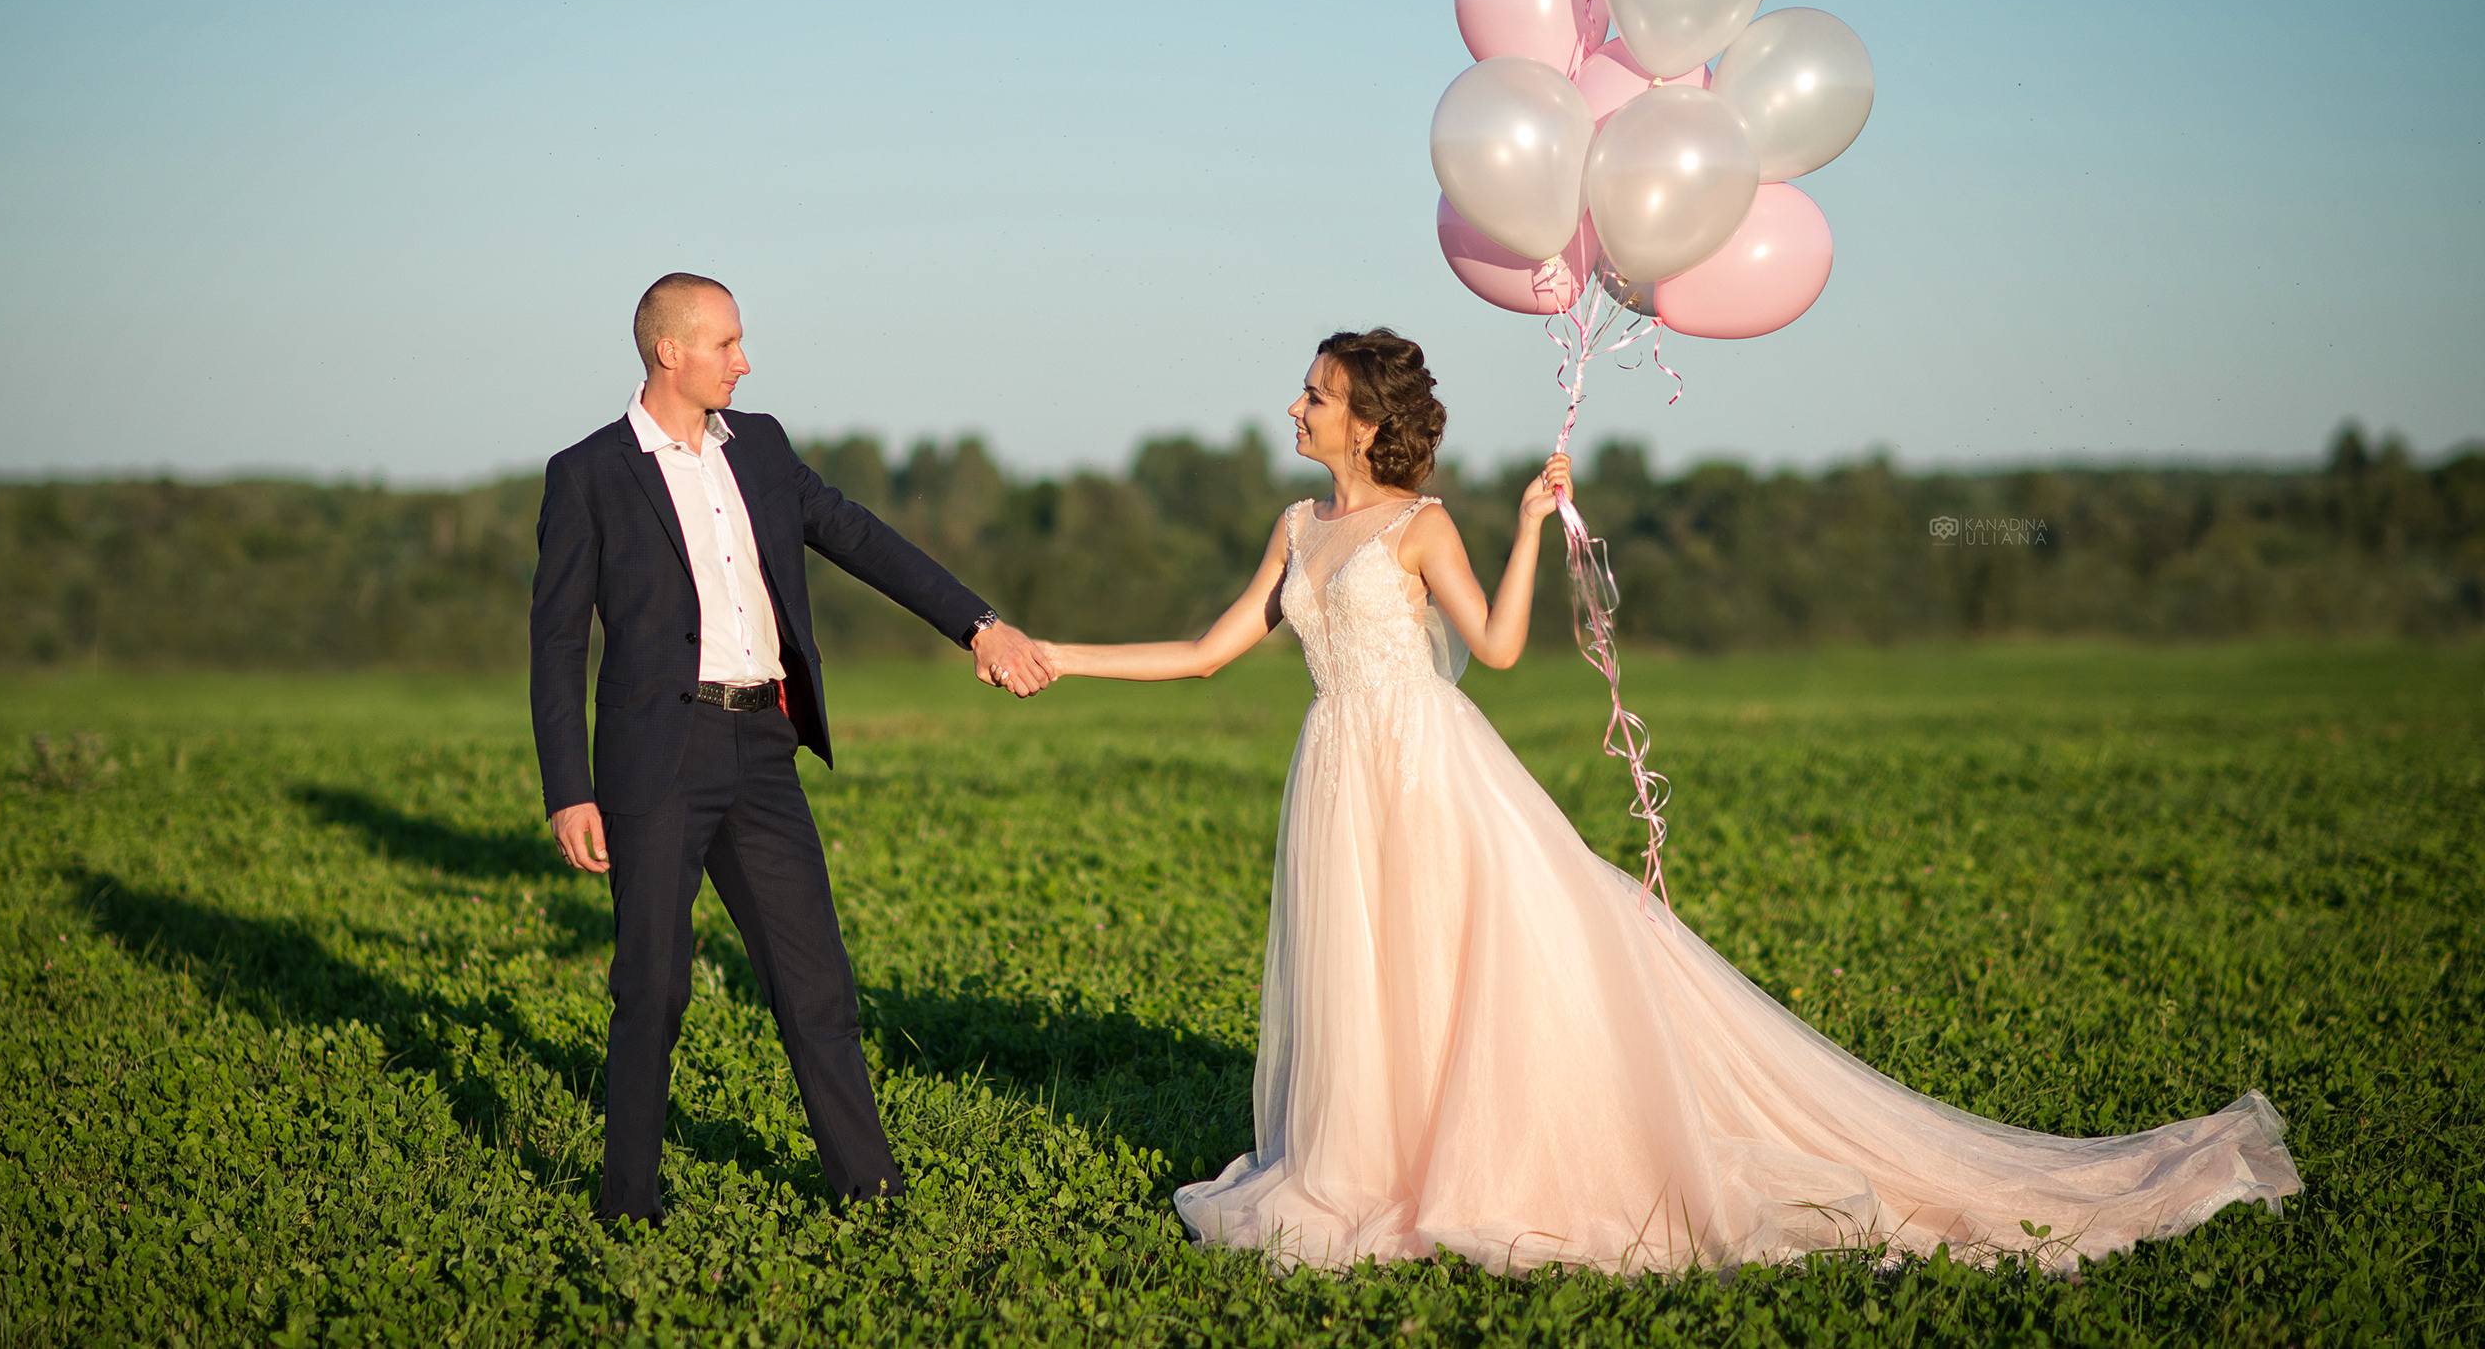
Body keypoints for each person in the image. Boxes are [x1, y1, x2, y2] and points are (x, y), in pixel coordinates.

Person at [1031, 327, 2300, 1275]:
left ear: (1366, 421)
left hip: (1427, 767)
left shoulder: (1418, 526)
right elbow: (1204, 652)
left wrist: (1531, 519)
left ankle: (1471, 1164)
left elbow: (1505, 645)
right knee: (1369, 981)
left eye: (1315, 392)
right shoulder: (1296, 527)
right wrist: (1054, 653)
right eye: (1305, 390)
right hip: (1337, 774)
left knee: (1462, 965)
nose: (1296, 405)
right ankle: (1372, 1165)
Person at [530, 271, 1054, 1227]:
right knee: (653, 985)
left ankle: (872, 1192)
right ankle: (627, 1206)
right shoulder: (589, 473)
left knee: (816, 981)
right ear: (669, 352)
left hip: (764, 745)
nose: (744, 359)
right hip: (658, 755)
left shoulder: (761, 448)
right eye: (725, 343)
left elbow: (862, 539)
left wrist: (977, 624)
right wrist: (570, 788)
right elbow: (558, 642)